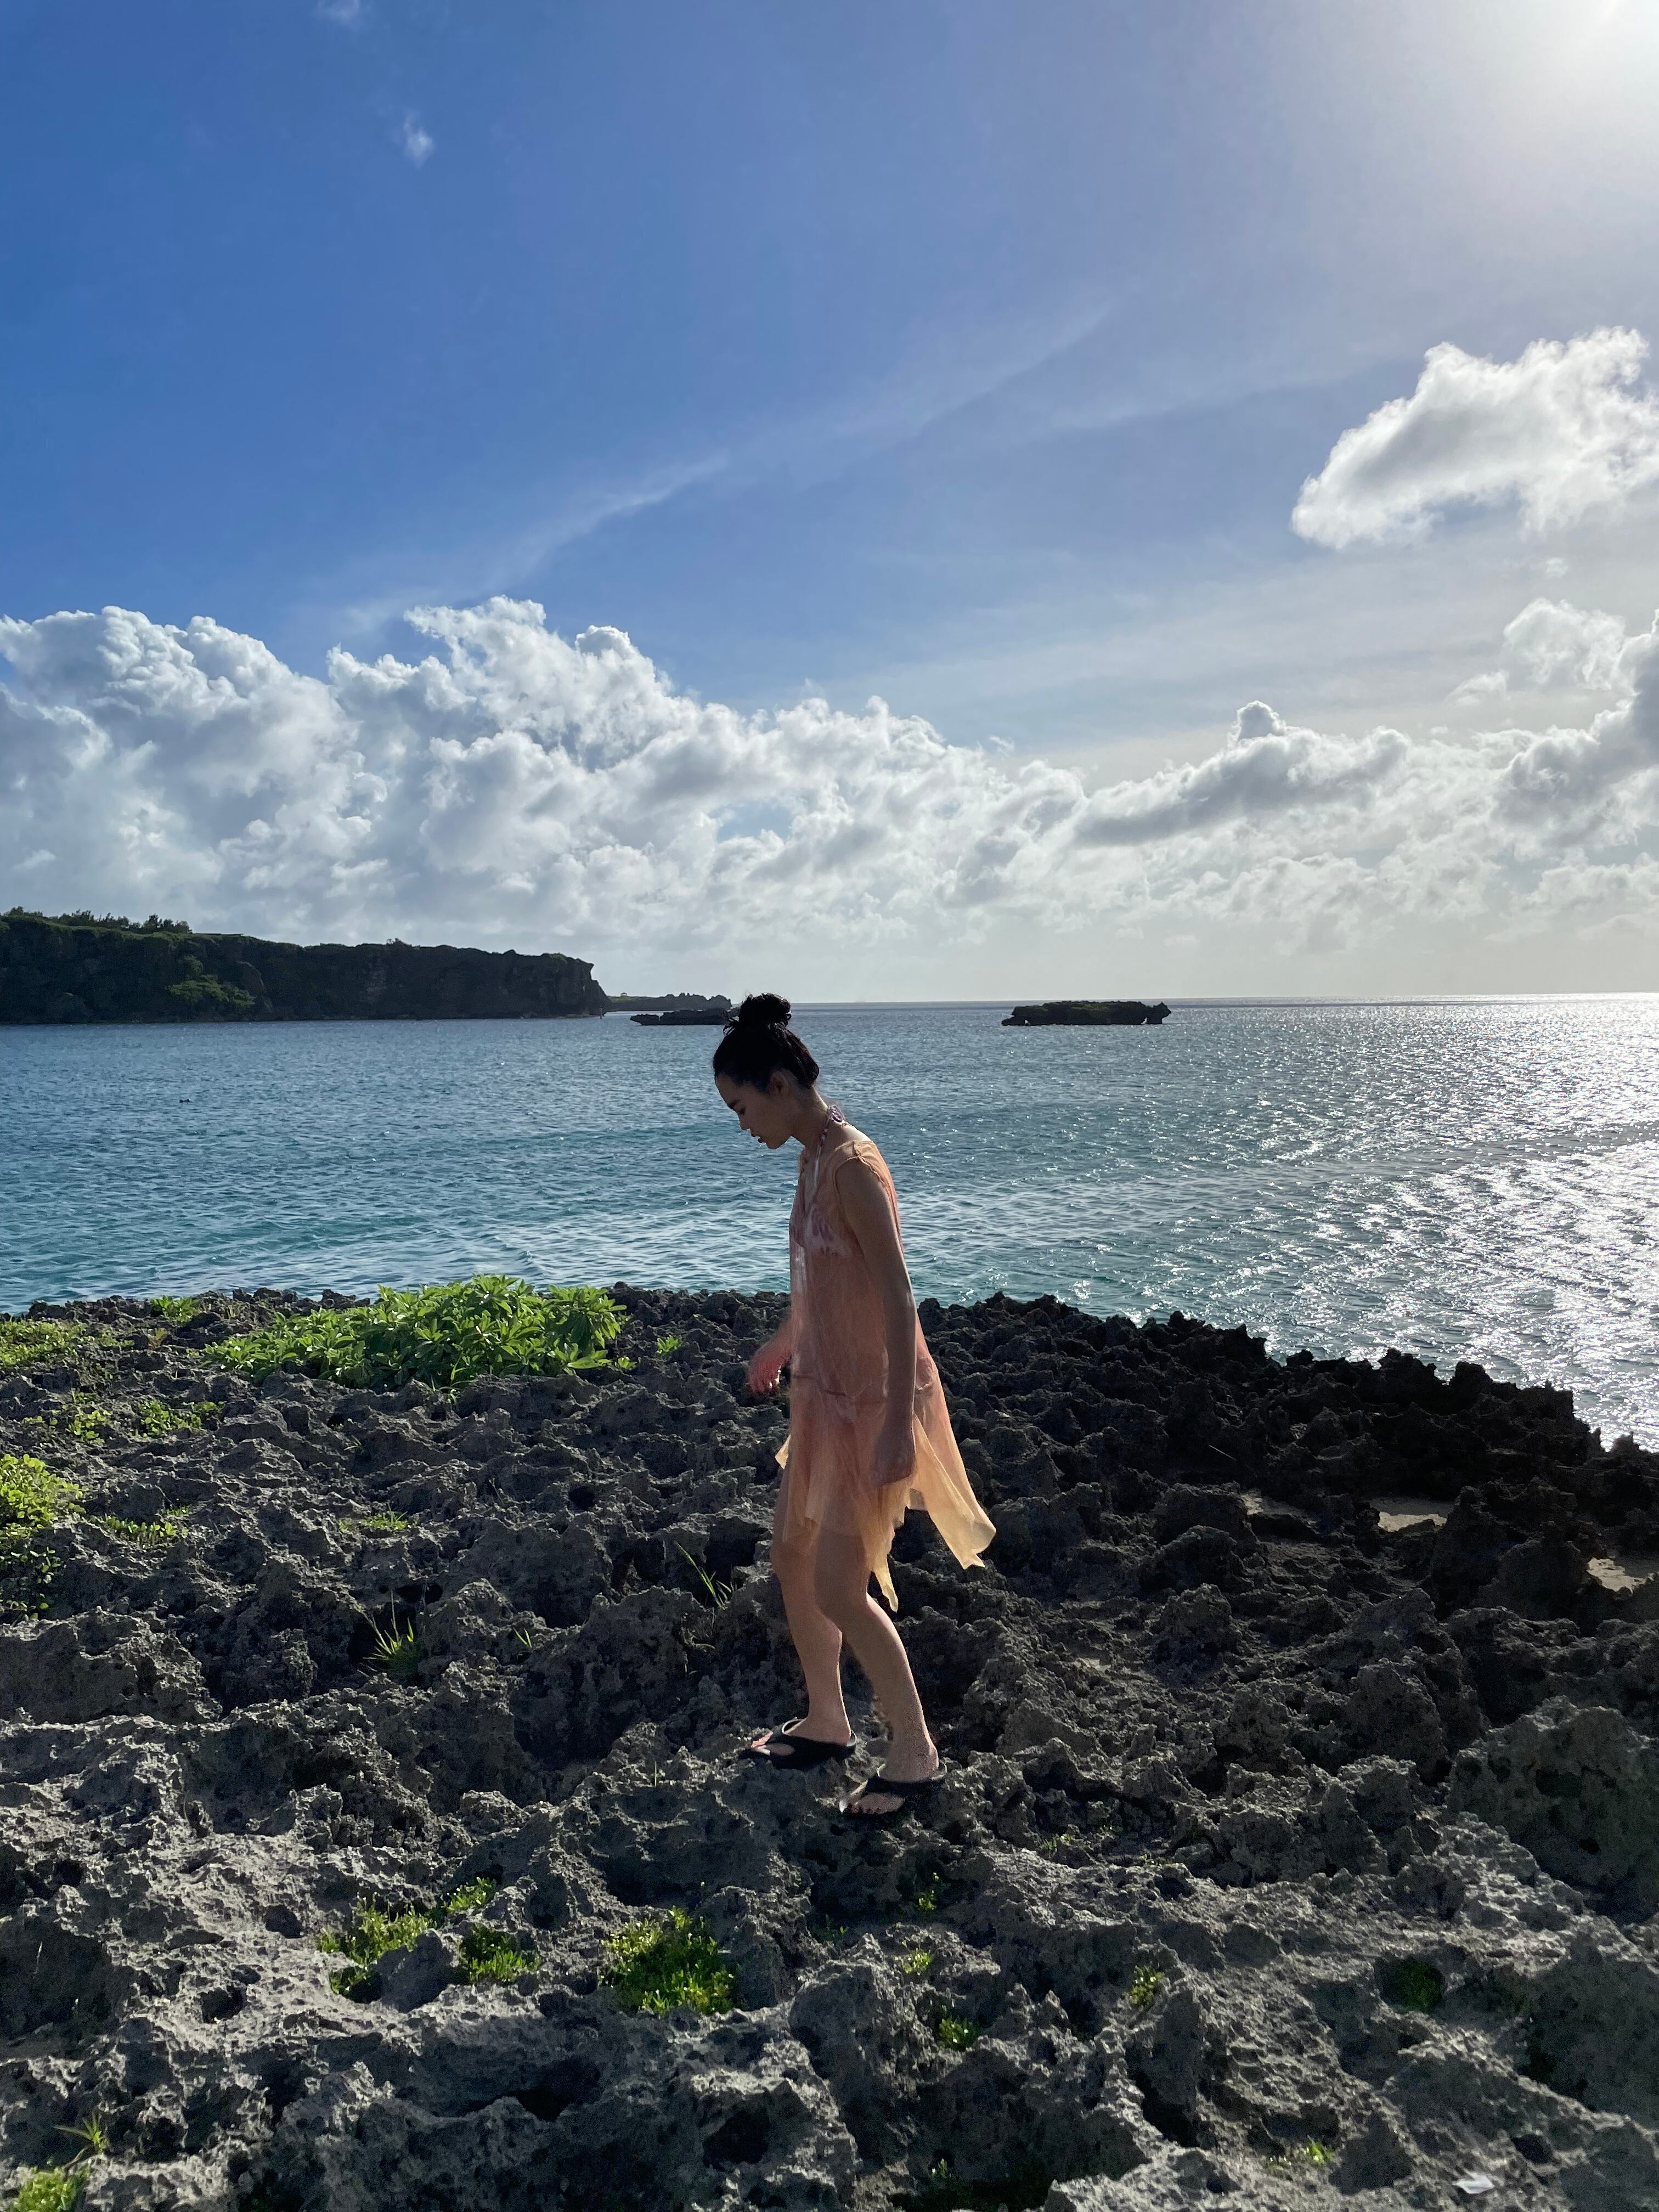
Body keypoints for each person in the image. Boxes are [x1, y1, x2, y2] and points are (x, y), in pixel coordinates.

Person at [713, 993, 996, 1819]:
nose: (741, 1126)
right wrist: (782, 1343)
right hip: (823, 1398)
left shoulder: (854, 1166)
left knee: (840, 1586)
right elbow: (824, 1280)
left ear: (778, 1085)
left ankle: (915, 1754)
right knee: (791, 1555)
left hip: (873, 1403)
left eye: (741, 1108)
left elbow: (899, 1298)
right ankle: (828, 1720)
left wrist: (898, 1426)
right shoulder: (811, 1158)